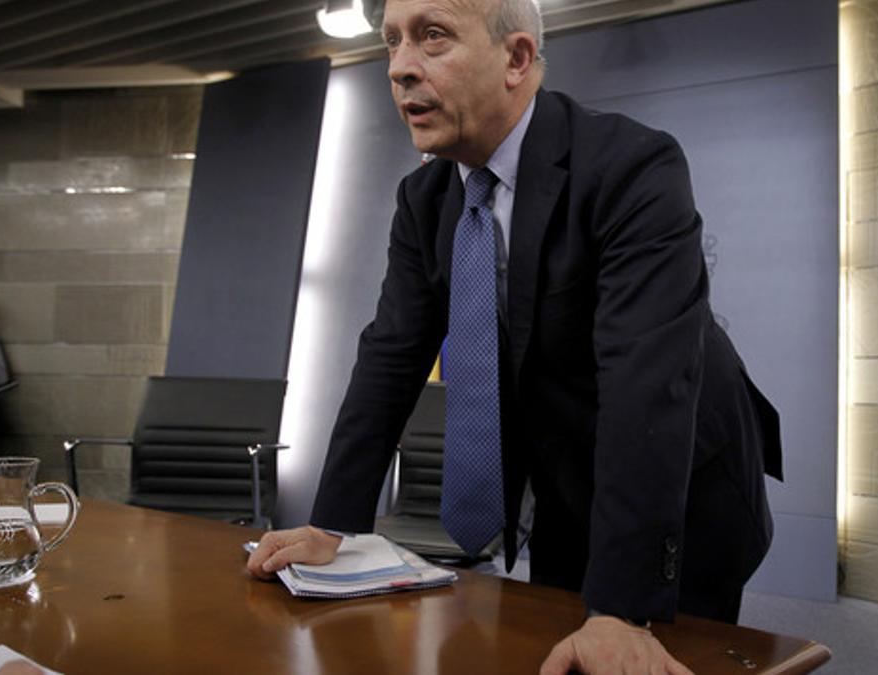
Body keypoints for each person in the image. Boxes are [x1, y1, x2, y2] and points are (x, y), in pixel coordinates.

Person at [247, 0, 783, 672]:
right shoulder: (425, 202)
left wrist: (620, 608)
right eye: (391, 43)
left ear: (517, 59)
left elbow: (645, 385)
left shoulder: (633, 167)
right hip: (563, 480)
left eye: (431, 37)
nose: (401, 69)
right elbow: (389, 358)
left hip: (679, 488)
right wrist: (333, 525)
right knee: (549, 644)